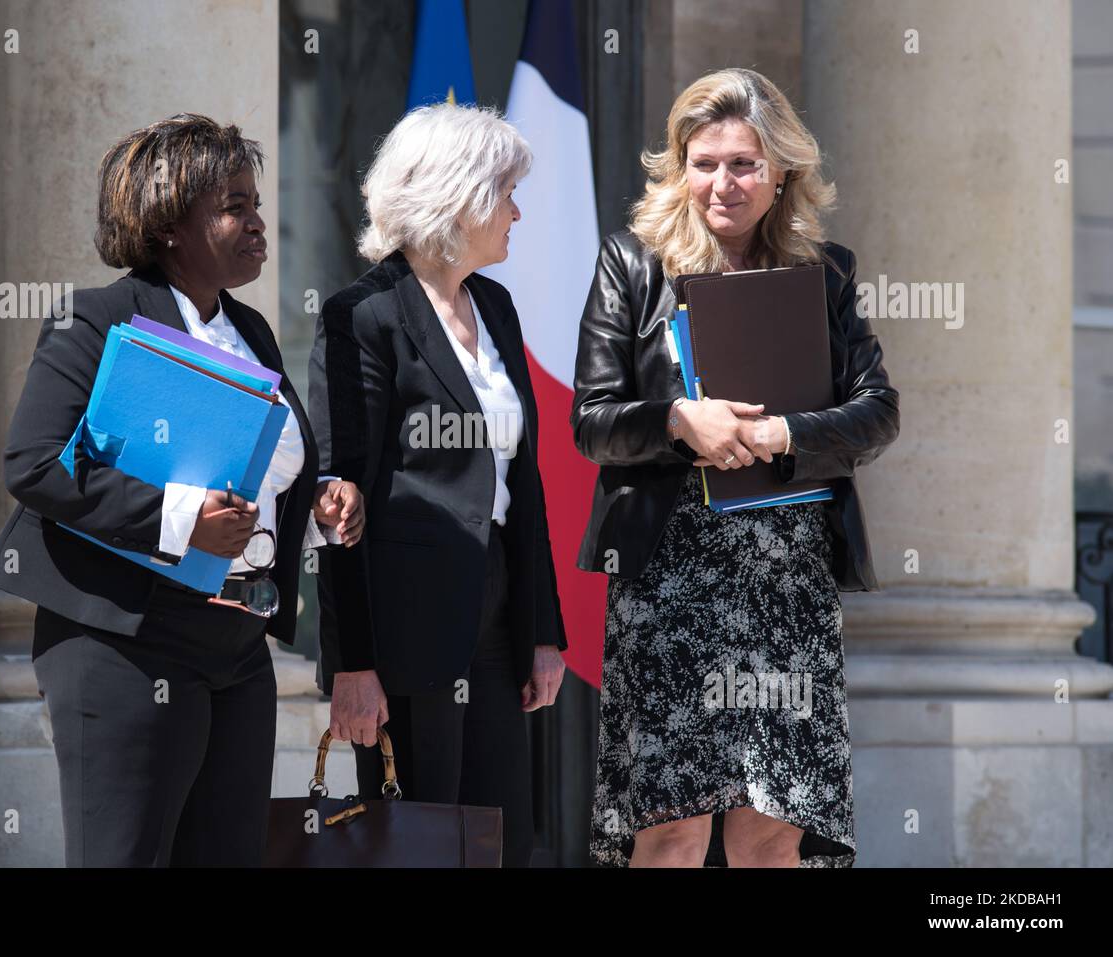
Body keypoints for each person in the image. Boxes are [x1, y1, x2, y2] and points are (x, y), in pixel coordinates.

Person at [0, 113, 364, 866]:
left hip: (238, 647)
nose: (258, 224)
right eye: (234, 207)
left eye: (257, 203)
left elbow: (258, 472)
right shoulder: (91, 320)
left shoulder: (249, 330)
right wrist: (180, 518)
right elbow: (34, 462)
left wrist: (315, 504)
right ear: (168, 227)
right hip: (124, 644)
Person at [573, 68, 899, 868]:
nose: (723, 182)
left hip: (785, 576)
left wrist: (787, 431)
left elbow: (877, 411)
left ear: (781, 171)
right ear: (679, 166)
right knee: (673, 826)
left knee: (772, 827)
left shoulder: (825, 272)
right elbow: (592, 421)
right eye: (705, 160)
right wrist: (680, 422)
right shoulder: (632, 263)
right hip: (669, 577)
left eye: (744, 163)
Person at [308, 103, 568, 867]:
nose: (518, 210)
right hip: (404, 629)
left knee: (499, 840)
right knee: (415, 844)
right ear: (457, 196)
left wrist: (543, 628)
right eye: (506, 192)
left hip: (497, 615)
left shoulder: (497, 306)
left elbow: (524, 480)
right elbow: (338, 503)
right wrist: (351, 662)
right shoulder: (364, 315)